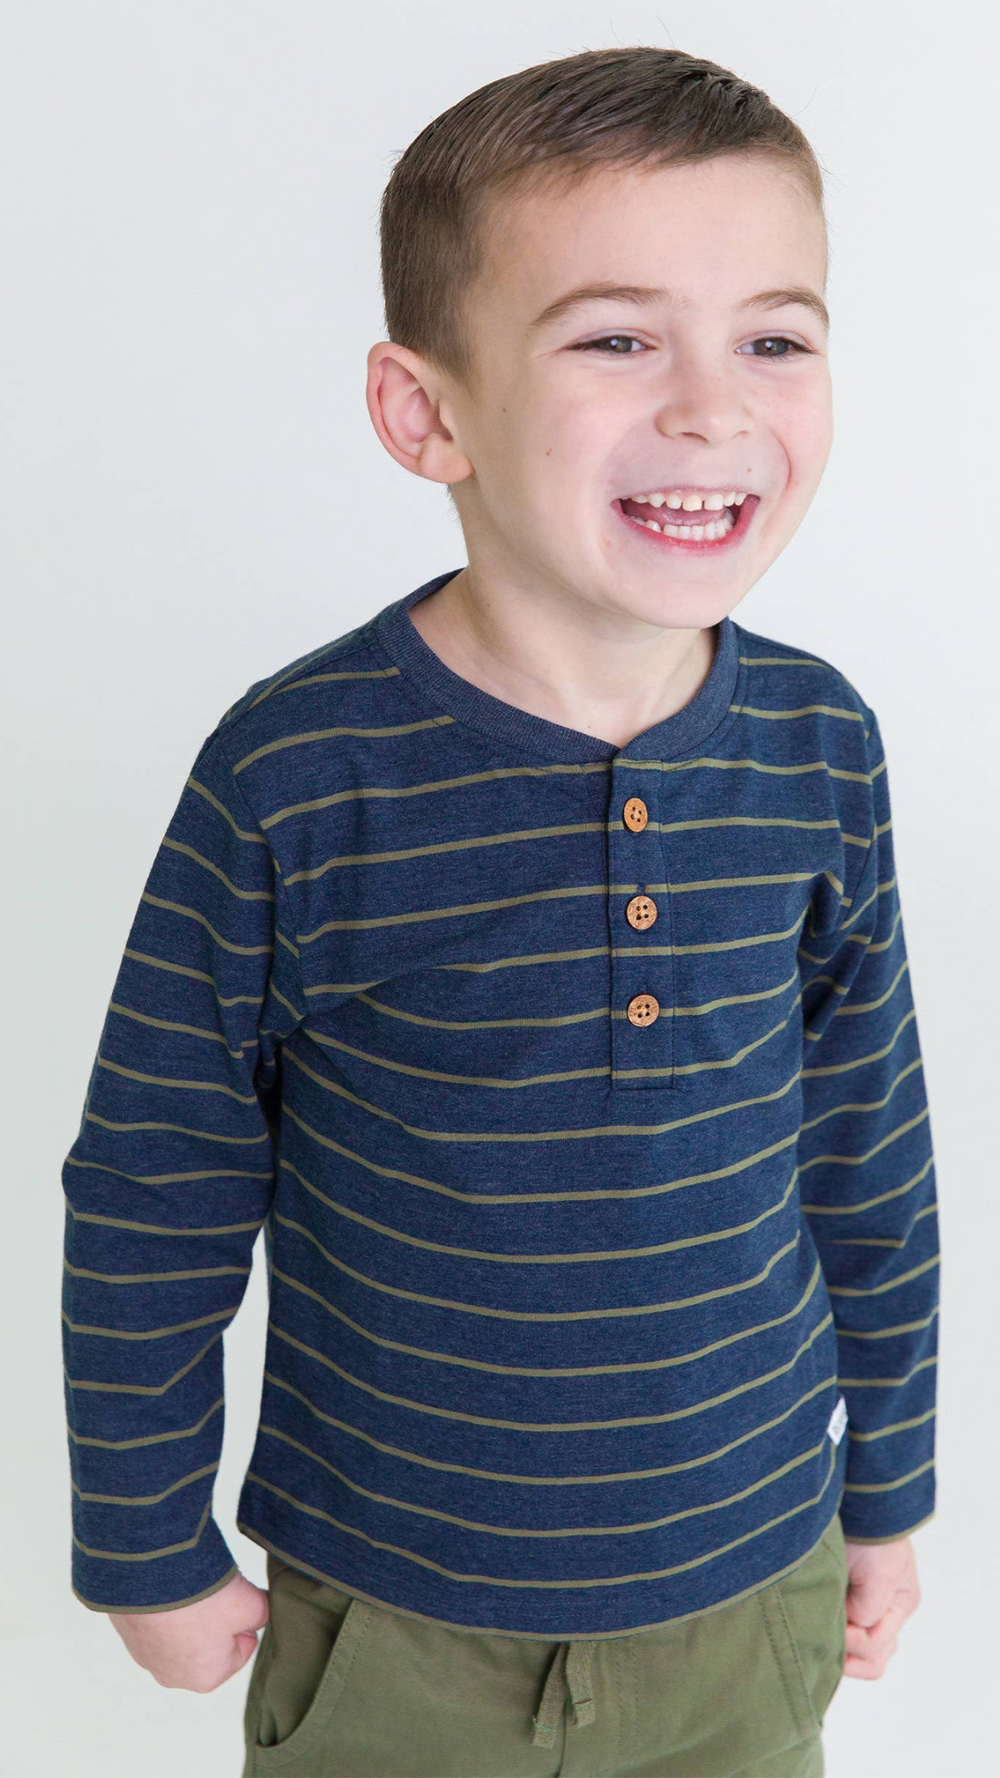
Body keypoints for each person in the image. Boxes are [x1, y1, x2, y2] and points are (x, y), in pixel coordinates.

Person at [61, 44, 939, 1778]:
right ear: (425, 411)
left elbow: (870, 1138)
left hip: (749, 1592)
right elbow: (155, 1176)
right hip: (392, 1617)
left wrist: (887, 1486)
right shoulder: (299, 772)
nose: (710, 405)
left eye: (774, 335)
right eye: (618, 338)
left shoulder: (824, 742)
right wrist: (143, 1535)